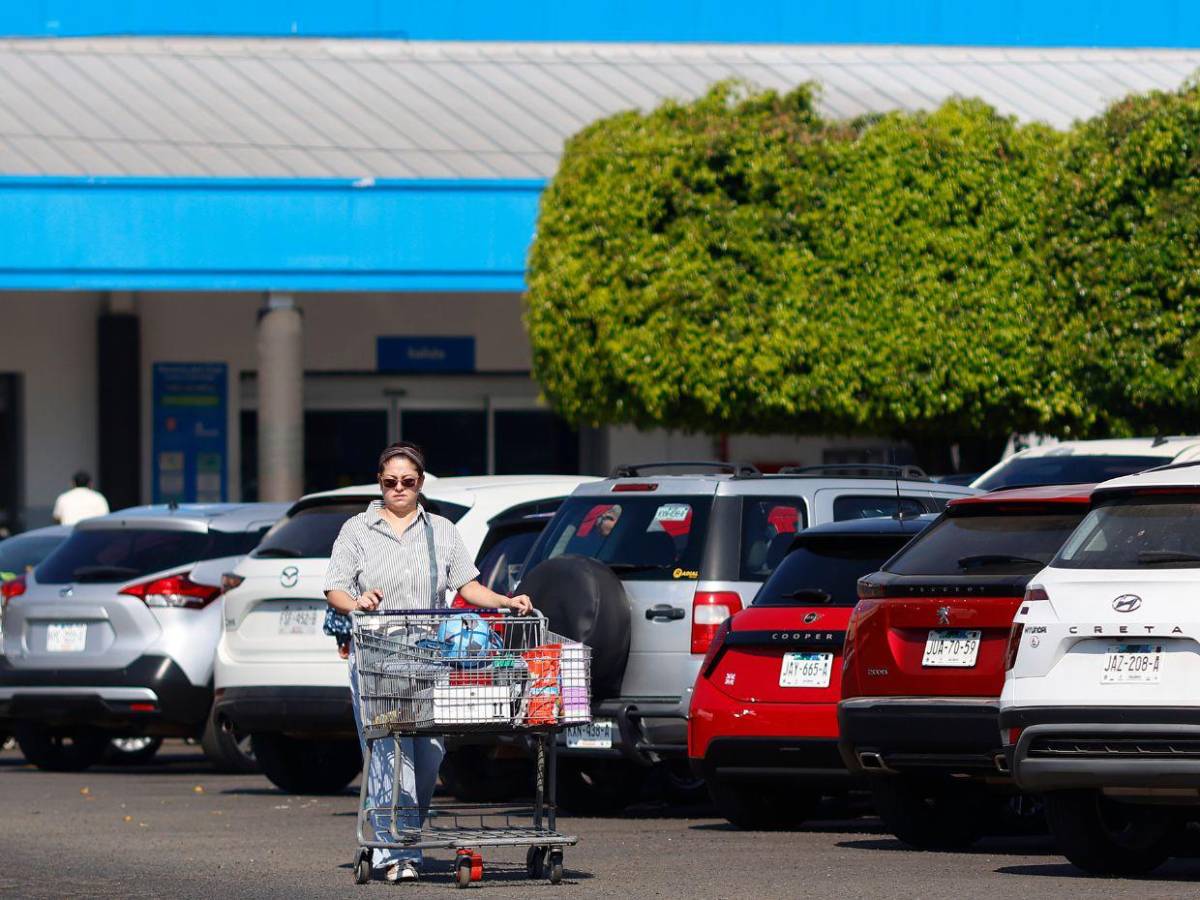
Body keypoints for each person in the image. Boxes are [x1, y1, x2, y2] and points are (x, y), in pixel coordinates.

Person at [324, 441, 532, 883]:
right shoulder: (356, 530)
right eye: (389, 481)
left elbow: (467, 586)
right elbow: (335, 588)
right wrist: (357, 603)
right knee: (388, 752)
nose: (398, 488)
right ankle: (396, 853)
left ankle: (403, 834)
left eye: (407, 481)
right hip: (378, 655)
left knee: (431, 750)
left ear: (421, 483)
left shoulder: (441, 530)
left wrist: (504, 602)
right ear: (379, 481)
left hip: (428, 655)